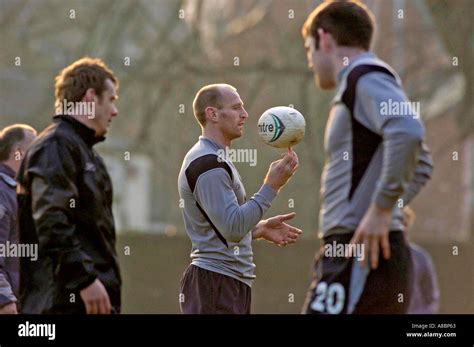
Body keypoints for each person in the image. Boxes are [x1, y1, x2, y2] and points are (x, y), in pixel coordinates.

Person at [300, 1, 433, 314]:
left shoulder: (363, 76)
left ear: (325, 38)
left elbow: (408, 130)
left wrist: (382, 208)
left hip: (361, 255)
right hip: (353, 249)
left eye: (309, 49)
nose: (310, 60)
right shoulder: (356, 82)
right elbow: (422, 163)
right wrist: (380, 210)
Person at [178, 83, 301, 314]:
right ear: (213, 114)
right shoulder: (207, 164)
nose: (245, 115)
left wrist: (260, 229)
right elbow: (232, 228)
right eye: (236, 108)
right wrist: (271, 186)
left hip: (228, 282)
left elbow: (222, 227)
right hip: (215, 283)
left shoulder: (216, 158)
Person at [17, 57, 121, 314]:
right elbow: (51, 220)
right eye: (111, 99)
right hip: (59, 304)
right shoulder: (55, 147)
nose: (115, 111)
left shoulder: (84, 152)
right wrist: (84, 280)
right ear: (90, 97)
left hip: (85, 301)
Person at [0, 124, 36, 314]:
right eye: (35, 147)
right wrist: (4, 300)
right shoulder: (3, 192)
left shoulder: (17, 190)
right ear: (18, 152)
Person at [403, 207, 440, 314]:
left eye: (404, 224)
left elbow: (431, 298)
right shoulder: (375, 256)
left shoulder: (421, 257)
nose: (401, 228)